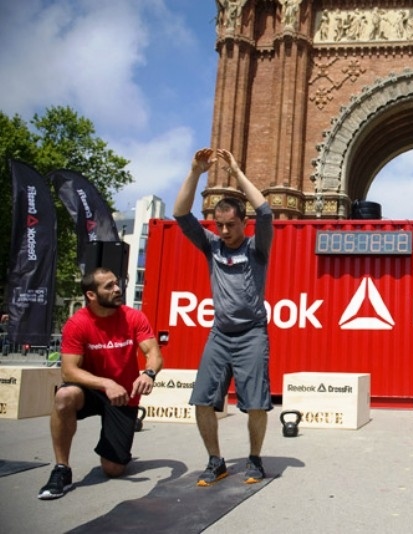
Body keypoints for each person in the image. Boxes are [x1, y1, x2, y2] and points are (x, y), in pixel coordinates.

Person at [174, 148, 274, 486]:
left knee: (257, 404)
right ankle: (216, 461)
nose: (226, 231)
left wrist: (236, 171)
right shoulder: (211, 245)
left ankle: (255, 460)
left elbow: (265, 210)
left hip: (252, 334)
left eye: (231, 225)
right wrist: (195, 173)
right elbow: (180, 213)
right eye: (220, 225)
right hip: (219, 334)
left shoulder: (256, 249)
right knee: (202, 399)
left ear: (242, 223)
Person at [37, 268, 163, 500]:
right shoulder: (77, 323)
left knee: (113, 469)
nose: (117, 289)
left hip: (124, 395)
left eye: (117, 283)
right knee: (64, 397)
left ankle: (119, 437)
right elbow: (69, 370)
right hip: (91, 391)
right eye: (109, 286)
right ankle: (61, 469)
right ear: (91, 295)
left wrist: (148, 374)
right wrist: (105, 383)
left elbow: (153, 353)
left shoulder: (133, 317)